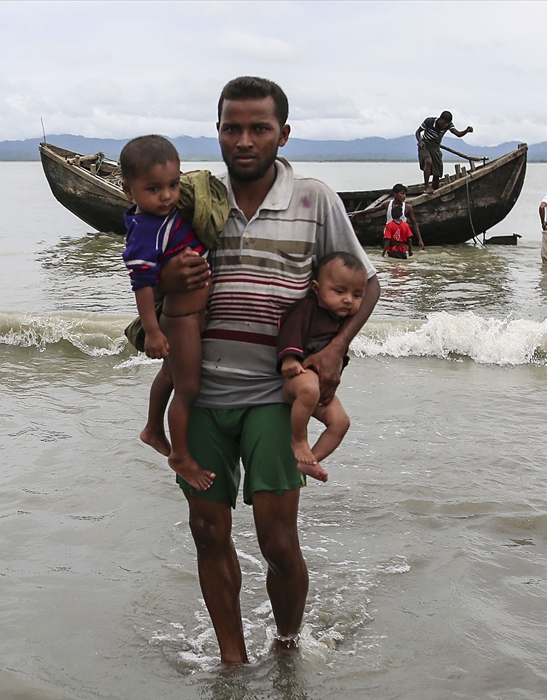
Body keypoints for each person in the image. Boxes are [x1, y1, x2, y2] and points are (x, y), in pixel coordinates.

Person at [158, 76, 381, 665]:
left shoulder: (314, 199)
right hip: (203, 392)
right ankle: (233, 659)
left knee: (278, 541)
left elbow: (368, 281)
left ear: (283, 133)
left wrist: (335, 351)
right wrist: (167, 285)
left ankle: (286, 645)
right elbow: (146, 268)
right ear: (219, 132)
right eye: (233, 128)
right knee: (208, 533)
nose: (245, 139)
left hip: (275, 397)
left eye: (259, 128)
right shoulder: (193, 200)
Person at [120, 135, 215, 491]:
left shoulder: (167, 214)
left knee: (170, 377)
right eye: (154, 189)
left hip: (190, 316)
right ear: (128, 190)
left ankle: (152, 428)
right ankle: (180, 455)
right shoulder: (145, 230)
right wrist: (153, 331)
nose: (167, 196)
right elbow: (142, 285)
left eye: (173, 185)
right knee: (188, 388)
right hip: (181, 320)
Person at [277, 252, 368, 481]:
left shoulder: (339, 320)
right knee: (309, 390)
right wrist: (289, 359)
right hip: (296, 380)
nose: (348, 300)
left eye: (357, 295)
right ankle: (298, 439)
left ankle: (310, 461)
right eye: (339, 292)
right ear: (317, 289)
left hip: (319, 386)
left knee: (340, 423)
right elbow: (290, 330)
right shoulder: (306, 308)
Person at [415, 111, 473, 193]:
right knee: (428, 161)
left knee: (437, 171)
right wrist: (420, 141)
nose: (446, 125)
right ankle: (427, 187)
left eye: (447, 123)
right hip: (425, 146)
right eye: (445, 123)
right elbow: (417, 132)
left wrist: (466, 131)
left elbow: (458, 134)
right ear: (440, 119)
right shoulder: (429, 121)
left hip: (436, 147)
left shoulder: (449, 125)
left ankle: (434, 189)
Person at [386, 183, 424, 250]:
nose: (404, 196)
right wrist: (362, 213)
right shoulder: (387, 204)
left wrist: (420, 239)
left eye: (405, 194)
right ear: (395, 194)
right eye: (402, 194)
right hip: (388, 237)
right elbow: (373, 210)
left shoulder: (407, 207)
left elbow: (414, 223)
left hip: (401, 239)